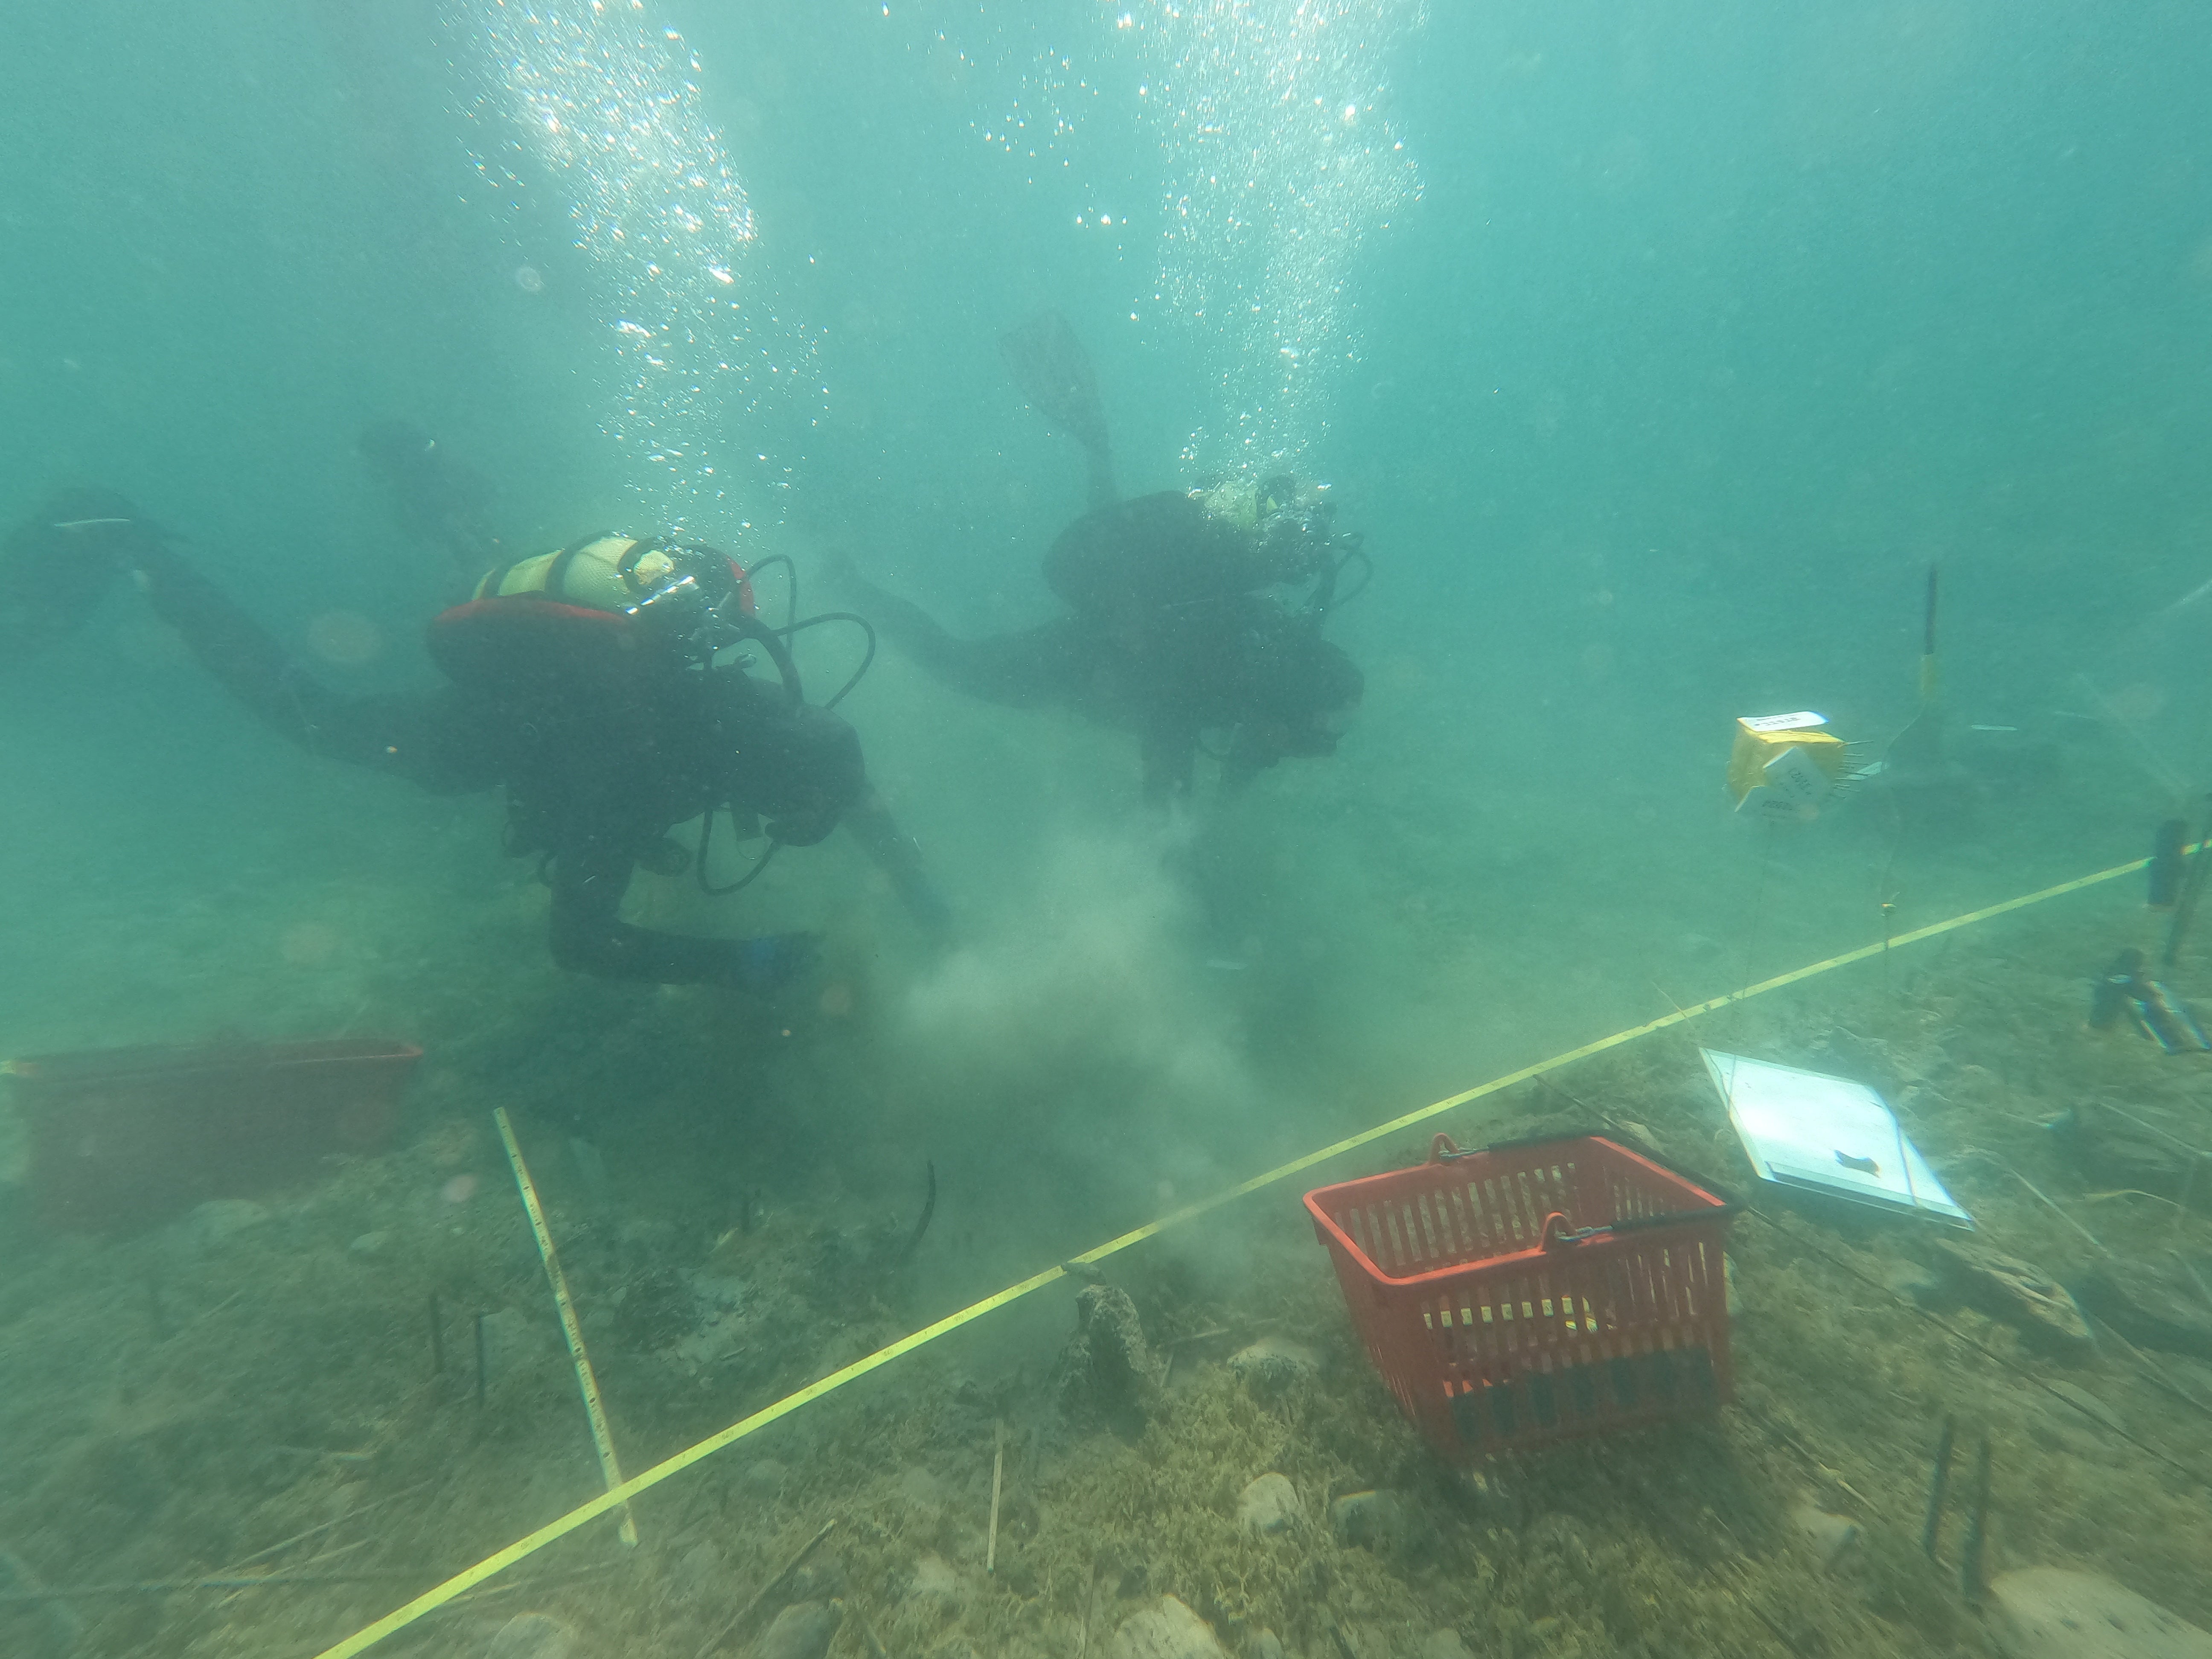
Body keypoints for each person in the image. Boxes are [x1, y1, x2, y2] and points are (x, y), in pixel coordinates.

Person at [2, 470, 949, 989]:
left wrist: (948, 933)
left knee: (473, 567)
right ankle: (140, 560)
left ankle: (451, 514)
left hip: (568, 685)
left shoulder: (771, 720)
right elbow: (581, 944)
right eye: (791, 819)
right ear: (763, 783)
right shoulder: (634, 774)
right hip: (488, 734)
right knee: (316, 718)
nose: (788, 832)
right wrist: (757, 962)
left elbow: (863, 809)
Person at [843, 312, 1366, 807]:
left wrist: (1217, 811)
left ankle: (1096, 447)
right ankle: (847, 585)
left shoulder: (1272, 676)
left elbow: (1249, 758)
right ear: (1294, 708)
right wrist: (1169, 854)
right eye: (1329, 728)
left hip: (1131, 611)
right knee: (956, 666)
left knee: (1116, 542)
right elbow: (1169, 756)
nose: (1326, 744)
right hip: (1095, 654)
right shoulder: (1228, 674)